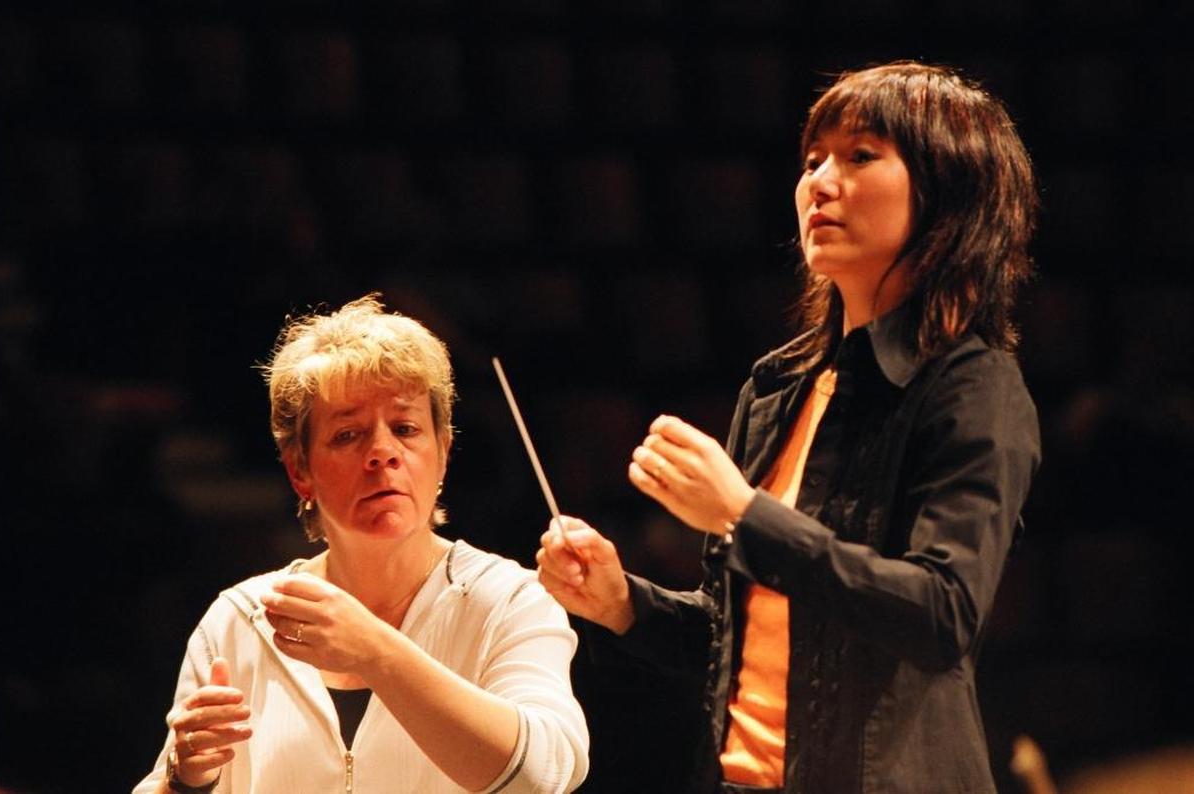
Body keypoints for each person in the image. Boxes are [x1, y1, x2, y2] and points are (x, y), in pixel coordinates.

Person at [536, 61, 1041, 793]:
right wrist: (621, 602)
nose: (820, 183)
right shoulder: (777, 388)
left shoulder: (972, 385)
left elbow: (942, 615)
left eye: (861, 155)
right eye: (812, 162)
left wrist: (742, 513)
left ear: (947, 191)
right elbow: (741, 640)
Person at [136, 295, 589, 794]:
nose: (382, 453)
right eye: (348, 434)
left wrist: (376, 652)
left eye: (406, 429)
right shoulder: (240, 619)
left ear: (443, 453)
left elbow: (540, 776)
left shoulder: (510, 601)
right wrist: (187, 777)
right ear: (299, 471)